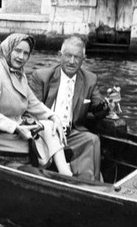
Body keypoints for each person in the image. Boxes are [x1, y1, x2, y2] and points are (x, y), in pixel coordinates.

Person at [0, 33, 72, 176]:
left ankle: (64, 172)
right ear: (8, 49)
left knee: (49, 126)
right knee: (45, 142)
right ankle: (61, 171)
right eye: (17, 51)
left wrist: (54, 116)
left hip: (12, 130)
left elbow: (33, 103)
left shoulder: (20, 74)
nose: (21, 57)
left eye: (26, 53)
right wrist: (15, 127)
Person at [29, 35, 110, 181]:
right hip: (46, 130)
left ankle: (86, 182)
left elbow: (99, 108)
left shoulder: (89, 79)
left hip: (71, 132)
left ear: (83, 59)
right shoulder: (41, 76)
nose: (72, 61)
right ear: (60, 55)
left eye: (77, 57)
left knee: (92, 139)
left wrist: (108, 104)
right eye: (68, 56)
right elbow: (32, 109)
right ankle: (68, 176)